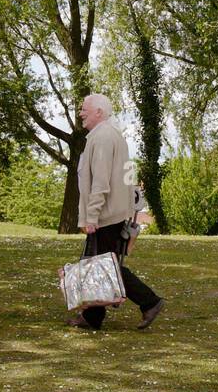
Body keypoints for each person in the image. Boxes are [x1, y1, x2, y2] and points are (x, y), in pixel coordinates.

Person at [69, 94, 164, 331]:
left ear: (99, 112)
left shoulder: (102, 138)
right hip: (113, 211)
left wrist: (92, 216)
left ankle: (150, 302)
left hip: (106, 214)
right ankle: (92, 317)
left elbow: (100, 182)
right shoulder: (112, 136)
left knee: (106, 267)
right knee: (98, 264)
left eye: (85, 110)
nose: (81, 114)